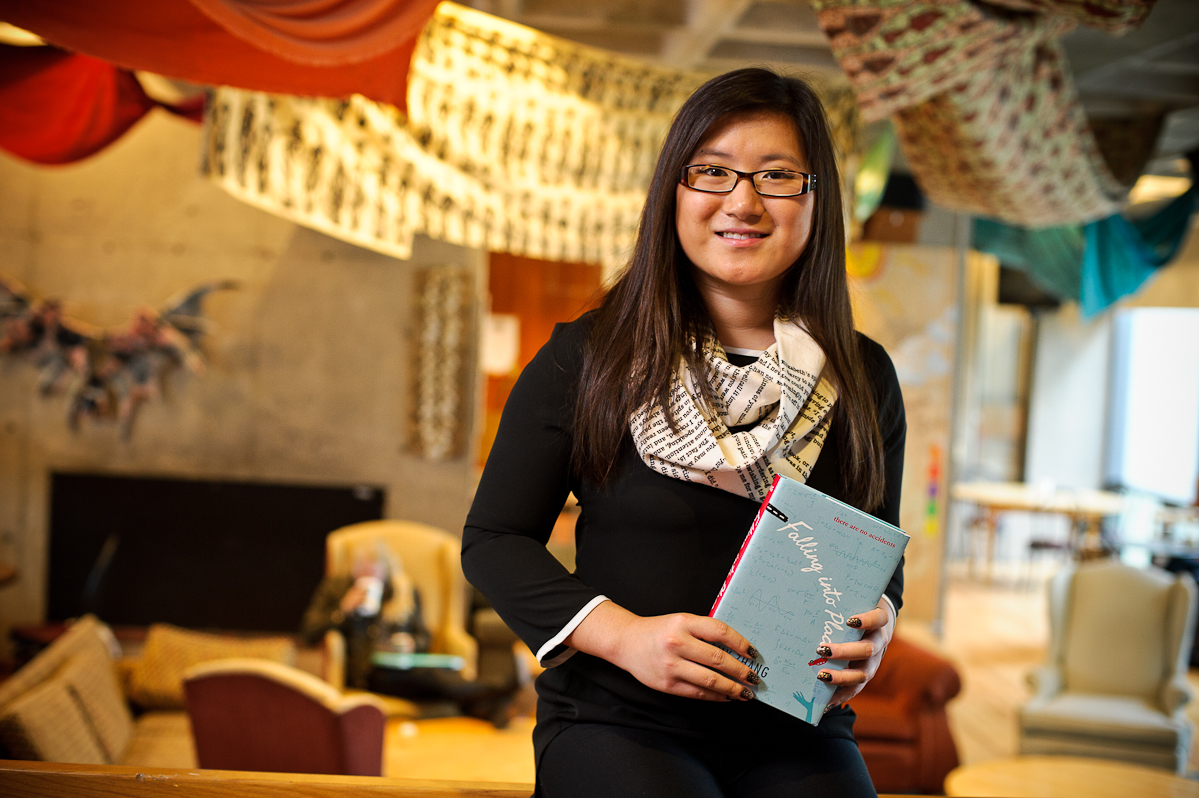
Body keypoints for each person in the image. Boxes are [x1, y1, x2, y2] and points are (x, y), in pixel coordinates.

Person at [462, 67, 906, 797]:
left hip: (796, 725)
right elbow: (495, 542)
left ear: (815, 199)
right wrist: (626, 639)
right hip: (618, 718)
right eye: (712, 172)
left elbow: (874, 552)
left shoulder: (861, 375)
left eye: (776, 176)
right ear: (673, 191)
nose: (742, 201)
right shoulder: (591, 356)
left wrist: (880, 621)